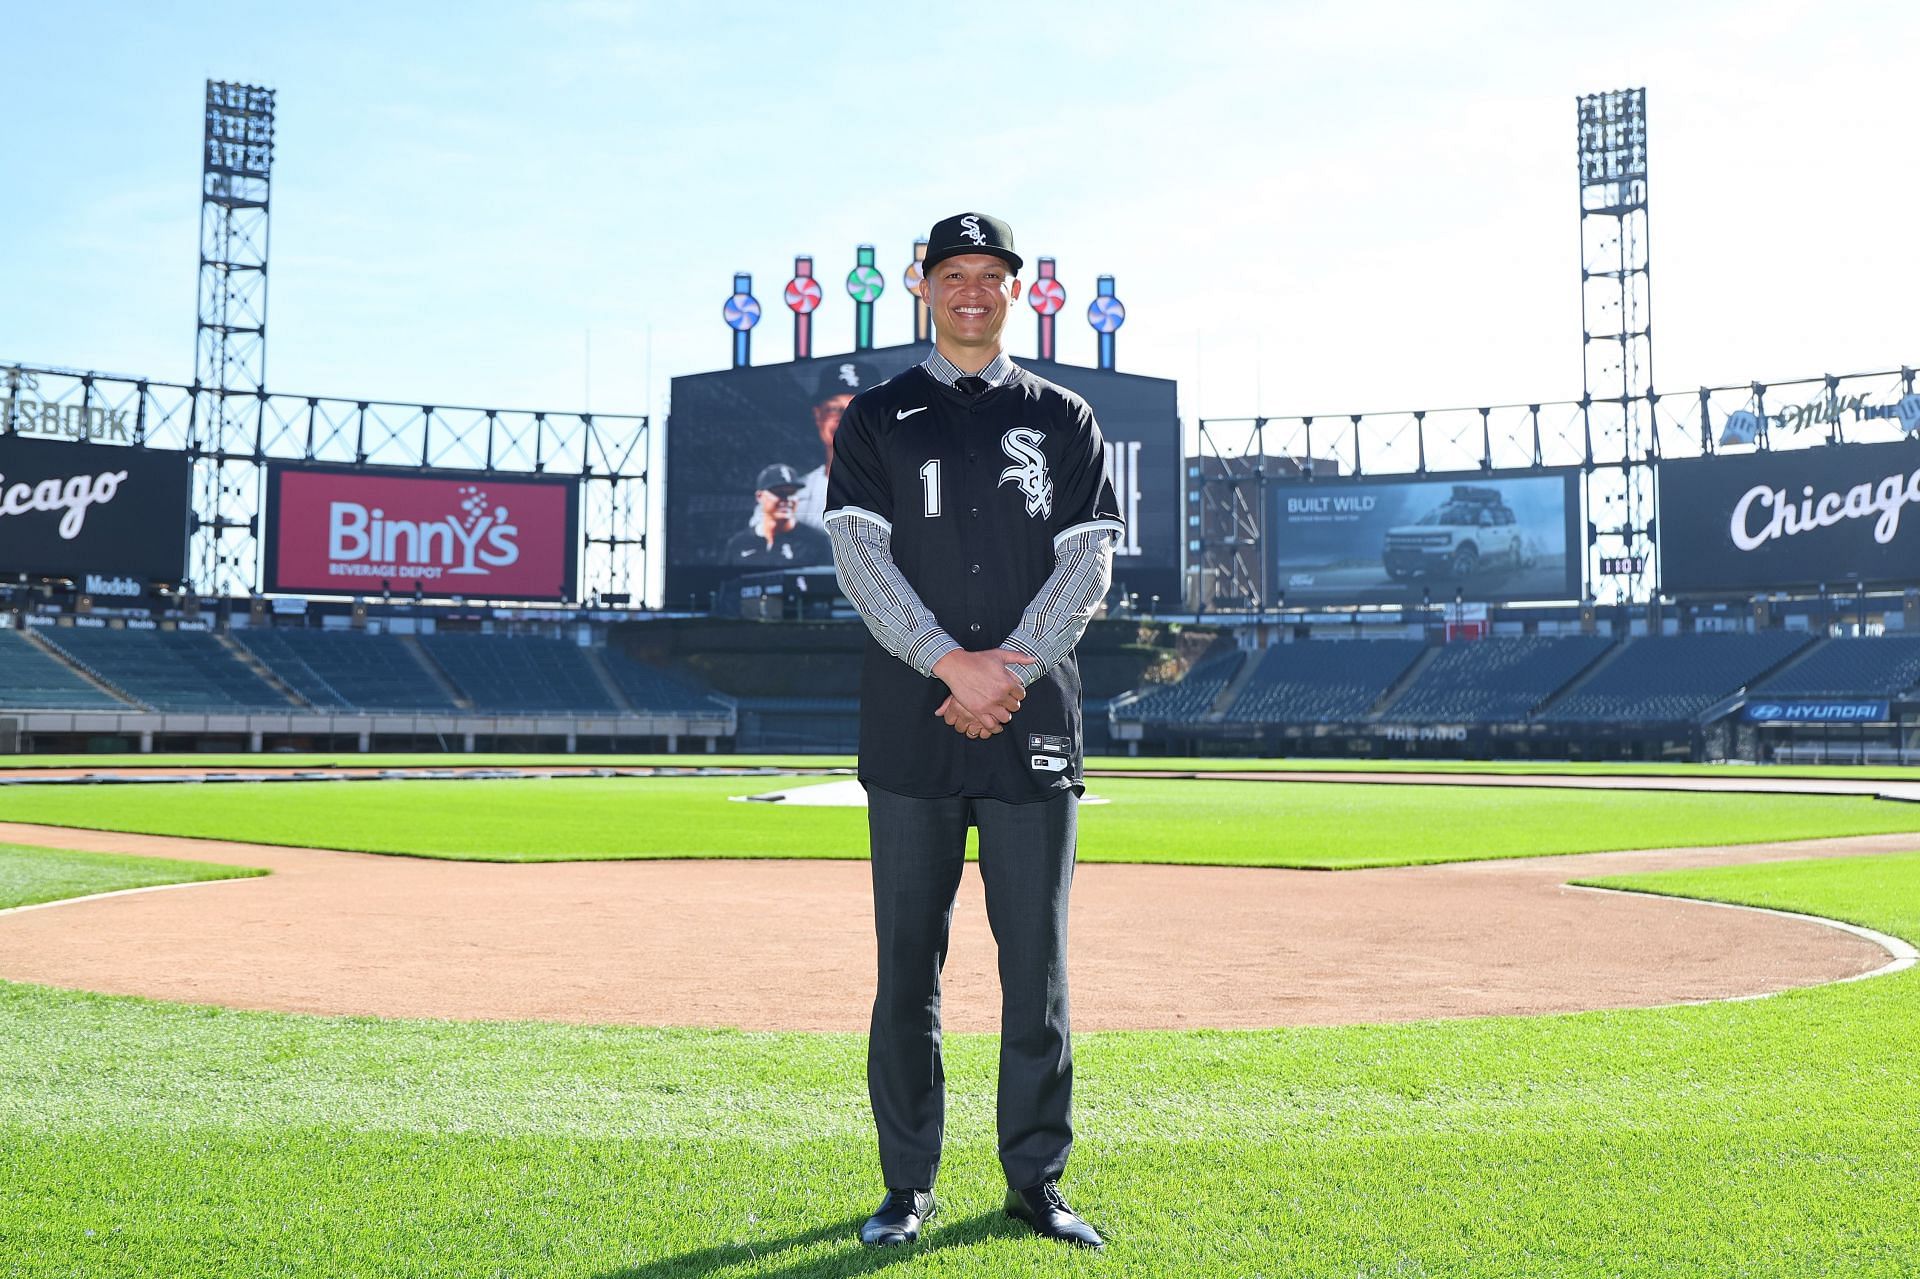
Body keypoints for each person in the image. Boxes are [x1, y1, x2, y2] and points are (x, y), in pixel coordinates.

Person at [823, 211, 1122, 1252]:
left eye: (988, 275)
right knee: (908, 964)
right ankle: (907, 1185)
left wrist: (1009, 670)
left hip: (1033, 720)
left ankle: (1035, 1182)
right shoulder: (874, 415)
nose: (970, 291)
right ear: (922, 285)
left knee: (1034, 965)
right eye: (952, 273)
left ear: (1012, 289)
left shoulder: (1067, 415)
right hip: (913, 720)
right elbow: (861, 561)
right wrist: (951, 663)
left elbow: (1087, 567)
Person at [723, 463, 832, 568]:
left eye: (792, 493)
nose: (787, 500)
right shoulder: (739, 543)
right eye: (780, 494)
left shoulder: (816, 542)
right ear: (760, 496)